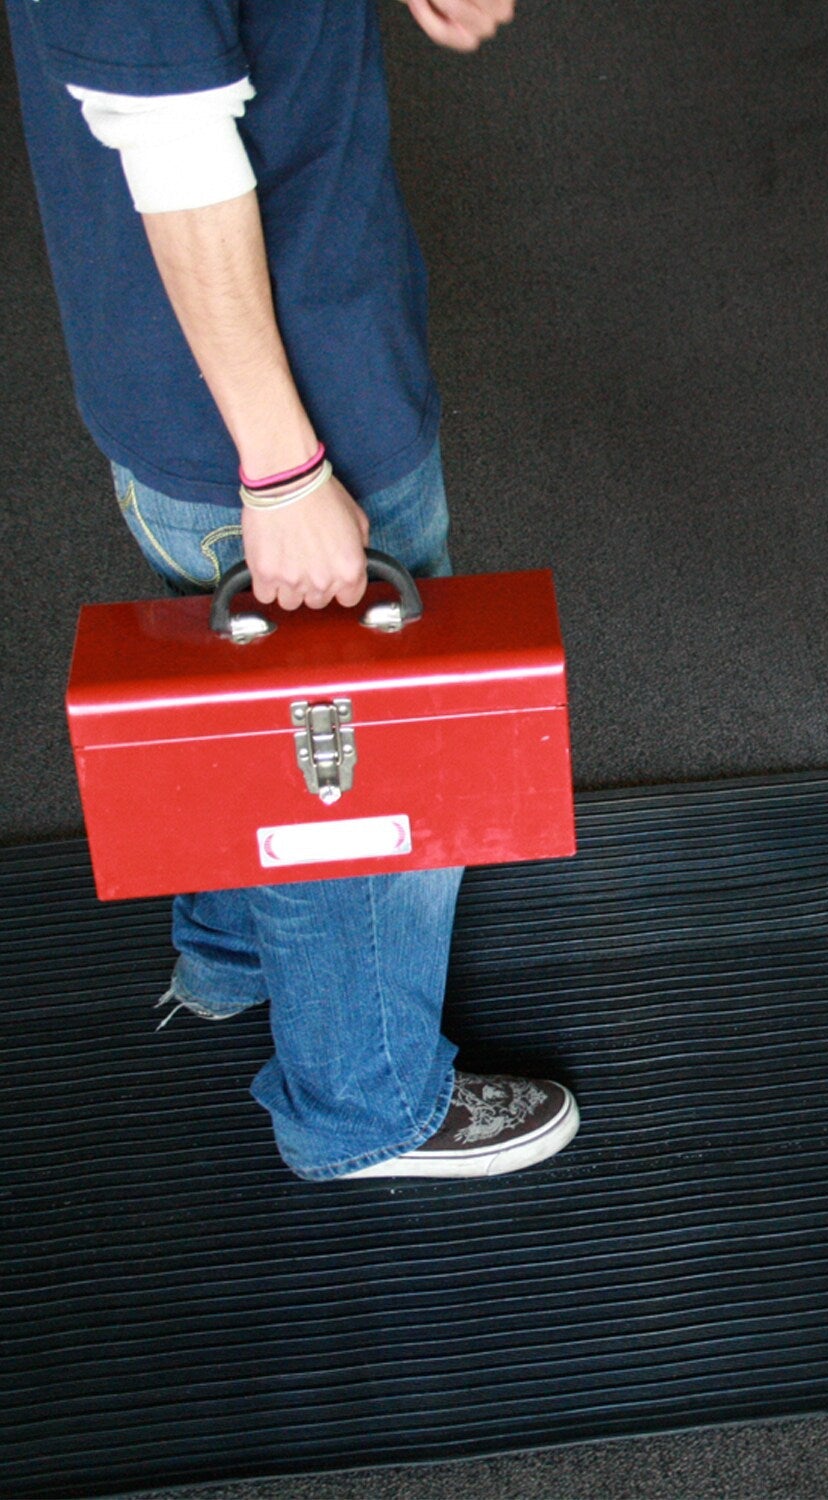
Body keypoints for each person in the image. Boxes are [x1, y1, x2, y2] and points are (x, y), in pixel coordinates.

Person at [7, 0, 580, 1180]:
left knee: (235, 696)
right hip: (286, 422)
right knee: (353, 768)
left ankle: (232, 955)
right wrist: (284, 470)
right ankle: (365, 1105)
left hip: (240, 380)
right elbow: (168, 137)